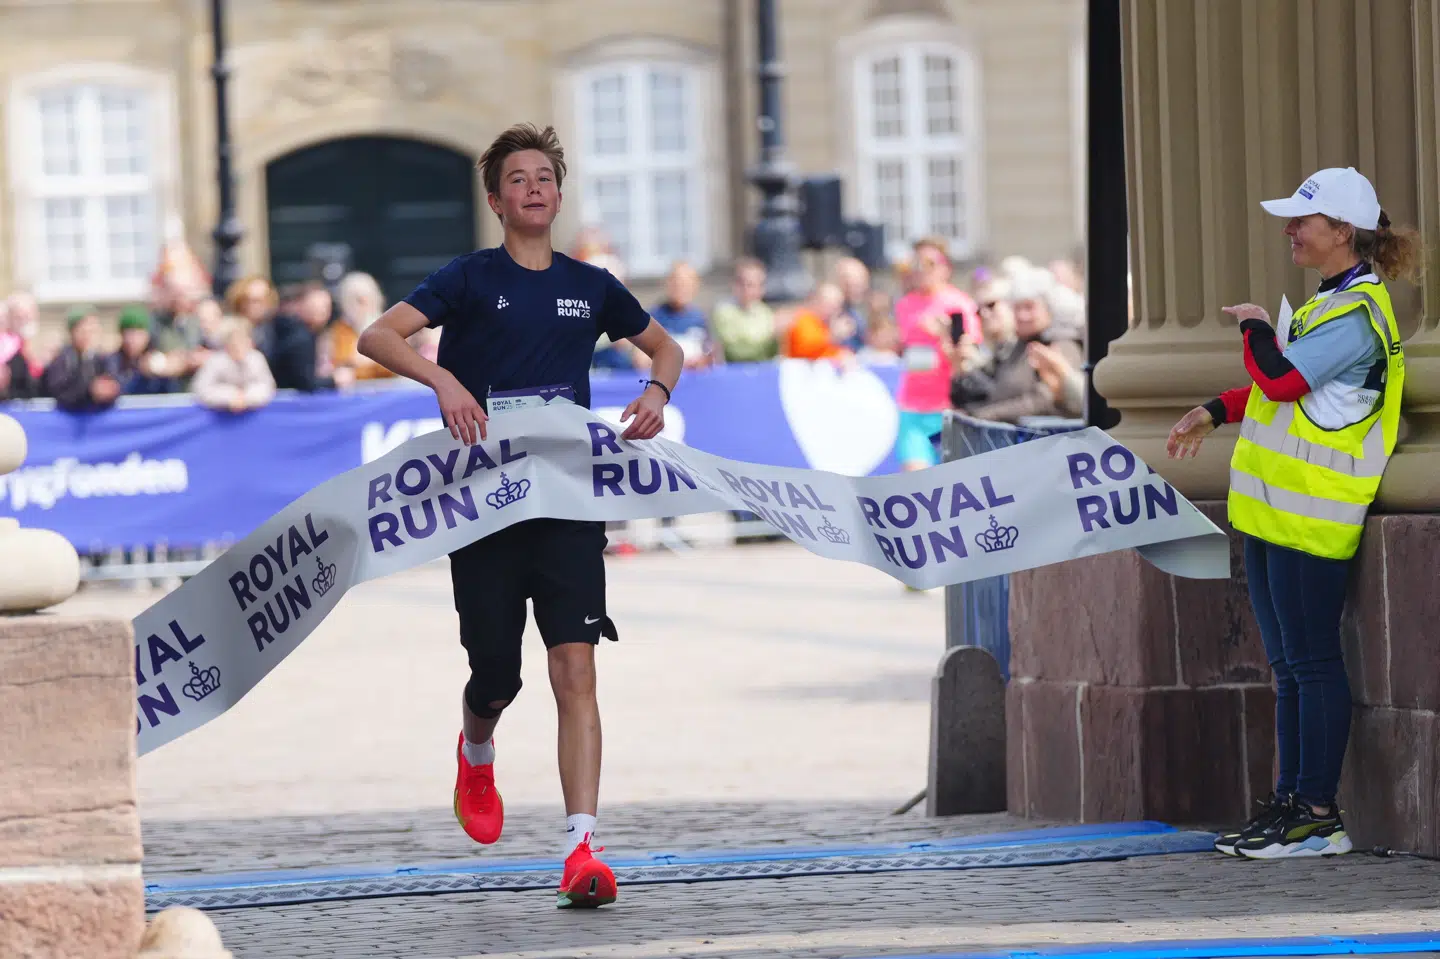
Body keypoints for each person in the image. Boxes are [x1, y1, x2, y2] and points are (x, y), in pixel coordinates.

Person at [357, 122, 683, 909]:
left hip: (568, 499)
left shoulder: (591, 283)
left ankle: (581, 850)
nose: (536, 188)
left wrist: (655, 392)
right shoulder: (468, 277)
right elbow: (377, 334)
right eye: (520, 179)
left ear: (558, 195)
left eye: (546, 177)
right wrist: (441, 379)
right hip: (483, 503)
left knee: (575, 665)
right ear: (497, 200)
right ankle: (477, 745)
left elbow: (665, 348)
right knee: (497, 671)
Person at [1166, 167, 1417, 860]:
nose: (1290, 231)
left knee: (1309, 664)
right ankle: (1288, 803)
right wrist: (1214, 409)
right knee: (1289, 667)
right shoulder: (1328, 303)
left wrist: (1253, 325)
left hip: (1314, 516)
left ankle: (1316, 814)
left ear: (1342, 232)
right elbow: (1283, 392)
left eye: (1302, 222)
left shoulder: (1358, 312)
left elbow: (1279, 376)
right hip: (1277, 513)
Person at [893, 237, 980, 469]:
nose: (922, 270)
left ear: (945, 267)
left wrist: (943, 336)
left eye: (930, 263)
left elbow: (970, 355)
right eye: (917, 263)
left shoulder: (960, 304)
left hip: (948, 408)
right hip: (912, 406)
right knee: (915, 483)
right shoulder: (904, 305)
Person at [41, 307, 122, 412]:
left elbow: (116, 383)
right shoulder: (63, 360)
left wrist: (110, 390)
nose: (88, 335)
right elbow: (59, 392)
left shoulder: (101, 359)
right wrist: (90, 390)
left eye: (93, 330)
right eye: (83, 330)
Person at [191, 321, 277, 413]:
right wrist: (230, 396)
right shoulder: (215, 361)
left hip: (250, 410)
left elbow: (268, 386)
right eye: (235, 342)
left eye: (243, 341)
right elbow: (201, 390)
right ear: (227, 344)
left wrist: (247, 397)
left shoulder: (257, 358)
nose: (239, 346)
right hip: (220, 417)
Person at [710, 258, 778, 362]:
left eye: (752, 285)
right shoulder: (723, 312)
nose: (746, 289)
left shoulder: (766, 313)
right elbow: (736, 349)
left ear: (761, 288)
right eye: (742, 283)